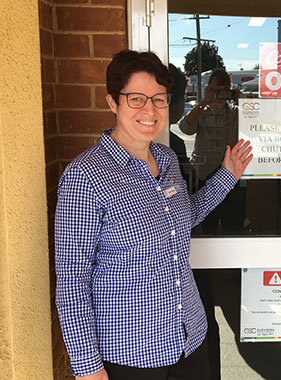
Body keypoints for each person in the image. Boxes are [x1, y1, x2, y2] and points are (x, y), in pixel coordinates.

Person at [55, 50, 253, 380]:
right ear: (112, 102)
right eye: (137, 98)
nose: (150, 110)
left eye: (159, 99)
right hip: (132, 357)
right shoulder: (86, 177)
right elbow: (72, 281)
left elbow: (183, 219)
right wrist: (88, 367)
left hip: (189, 340)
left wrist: (227, 175)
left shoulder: (167, 159)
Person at [179, 69, 245, 235]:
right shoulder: (201, 112)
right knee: (206, 228)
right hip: (203, 177)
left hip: (232, 178)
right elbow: (185, 128)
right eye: (216, 90)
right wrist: (204, 102)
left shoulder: (236, 113)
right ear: (208, 89)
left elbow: (256, 129)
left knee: (233, 228)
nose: (220, 95)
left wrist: (244, 103)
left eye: (224, 90)